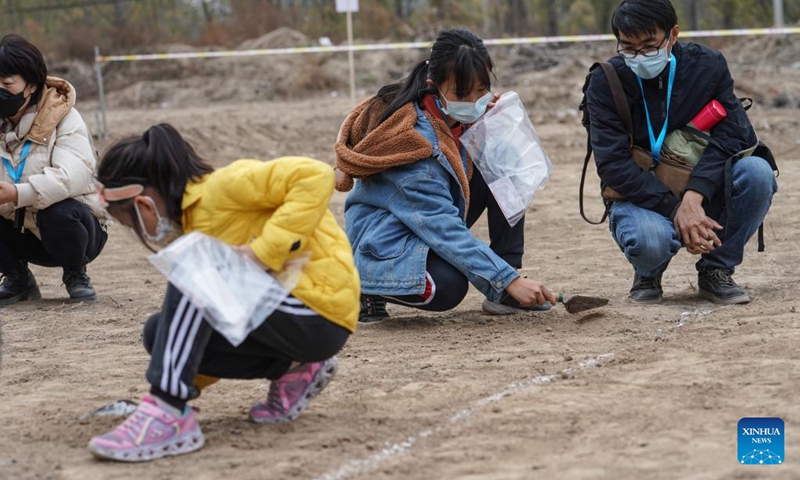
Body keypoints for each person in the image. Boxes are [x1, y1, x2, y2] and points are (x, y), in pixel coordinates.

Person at [88, 124, 360, 462]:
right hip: (288, 323)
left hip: (319, 310)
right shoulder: (190, 223)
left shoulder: (222, 187)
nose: (139, 232)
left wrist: (264, 253)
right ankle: (296, 368)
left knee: (197, 273)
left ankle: (166, 411)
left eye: (131, 224)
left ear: (144, 205)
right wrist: (187, 377)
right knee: (157, 333)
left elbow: (315, 175)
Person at [335, 28, 557, 325]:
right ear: (434, 87)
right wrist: (508, 279)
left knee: (500, 165)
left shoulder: (455, 117)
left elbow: (504, 169)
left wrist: (490, 126)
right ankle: (361, 283)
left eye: (481, 90)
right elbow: (443, 228)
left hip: (422, 220)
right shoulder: (415, 147)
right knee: (448, 286)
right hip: (382, 238)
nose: (475, 100)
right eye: (462, 94)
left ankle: (504, 289)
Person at [586, 0, 777, 304]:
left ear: (673, 34)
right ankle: (648, 272)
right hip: (640, 193)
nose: (639, 56)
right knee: (649, 242)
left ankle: (717, 270)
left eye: (649, 46)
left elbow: (733, 136)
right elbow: (613, 165)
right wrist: (676, 211)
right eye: (628, 47)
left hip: (701, 184)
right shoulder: (605, 81)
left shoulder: (708, 66)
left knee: (757, 173)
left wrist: (694, 197)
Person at [0, 34, 107, 305]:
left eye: (6, 83)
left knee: (58, 210)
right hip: (20, 228)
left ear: (31, 85)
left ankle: (75, 273)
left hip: (76, 230)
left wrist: (16, 192)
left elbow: (72, 176)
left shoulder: (65, 118)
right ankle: (17, 278)